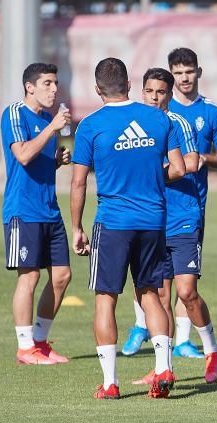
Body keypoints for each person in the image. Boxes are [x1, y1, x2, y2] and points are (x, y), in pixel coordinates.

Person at [70, 57, 185, 399]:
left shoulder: (90, 126)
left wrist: (76, 227)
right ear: (130, 85)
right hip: (153, 221)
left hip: (114, 223)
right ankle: (163, 367)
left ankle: (110, 383)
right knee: (150, 293)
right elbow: (178, 168)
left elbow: (78, 184)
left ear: (97, 89)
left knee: (106, 299)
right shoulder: (157, 118)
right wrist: (149, 179)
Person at [121, 47, 217, 360]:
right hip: (149, 215)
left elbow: (206, 159)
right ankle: (161, 361)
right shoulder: (136, 121)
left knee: (185, 290)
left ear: (198, 72)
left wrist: (197, 160)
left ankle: (200, 344)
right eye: (150, 91)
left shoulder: (194, 118)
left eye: (189, 71)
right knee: (158, 291)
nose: (156, 97)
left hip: (186, 212)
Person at [1, 63, 72, 365]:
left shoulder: (47, 120)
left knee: (62, 276)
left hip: (49, 210)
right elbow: (23, 154)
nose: (54, 89)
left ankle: (40, 343)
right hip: (23, 209)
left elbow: (38, 160)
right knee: (28, 276)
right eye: (47, 84)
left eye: (55, 83)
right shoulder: (15, 113)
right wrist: (53, 128)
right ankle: (24, 347)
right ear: (30, 87)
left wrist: (57, 160)